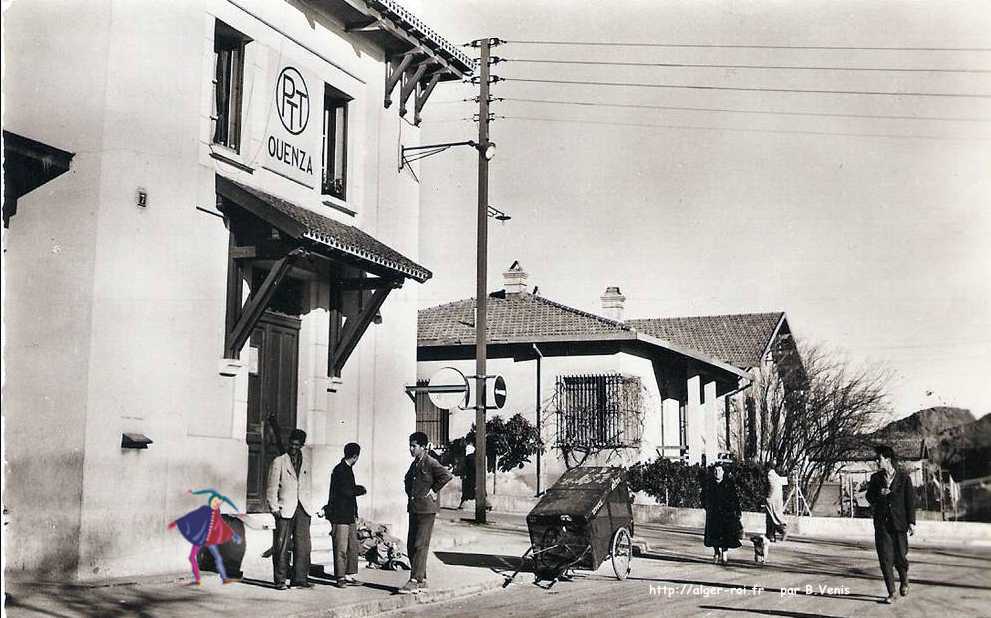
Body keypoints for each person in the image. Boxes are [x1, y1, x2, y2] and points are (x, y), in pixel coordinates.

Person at [397, 432, 452, 594]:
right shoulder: (415, 463)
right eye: (410, 445)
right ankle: (422, 579)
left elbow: (446, 475)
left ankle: (414, 580)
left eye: (414, 446)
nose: (411, 449)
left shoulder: (430, 462)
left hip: (427, 510)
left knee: (420, 544)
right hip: (415, 508)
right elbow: (408, 480)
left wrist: (433, 491)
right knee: (411, 544)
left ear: (422, 447)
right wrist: (412, 495)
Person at [866, 444, 916, 604]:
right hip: (882, 525)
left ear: (887, 459)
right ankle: (892, 592)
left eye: (878, 458)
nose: (876, 461)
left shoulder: (904, 478)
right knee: (885, 559)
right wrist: (879, 496)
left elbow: (910, 501)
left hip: (899, 524)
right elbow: (869, 497)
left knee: (900, 557)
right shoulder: (875, 479)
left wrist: (911, 522)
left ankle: (904, 580)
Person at [267, 428, 316, 590]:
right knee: (282, 546)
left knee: (303, 545)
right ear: (289, 443)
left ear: (302, 445)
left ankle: (299, 578)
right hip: (285, 508)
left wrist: (310, 506)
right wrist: (274, 507)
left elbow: (307, 485)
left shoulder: (306, 462)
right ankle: (280, 580)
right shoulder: (279, 461)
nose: (294, 447)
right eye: (292, 444)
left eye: (297, 444)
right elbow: (271, 487)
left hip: (303, 509)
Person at [168, 488, 242, 585]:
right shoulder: (205, 509)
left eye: (219, 503)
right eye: (215, 502)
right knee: (192, 557)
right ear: (211, 501)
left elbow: (222, 525)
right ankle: (198, 580)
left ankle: (224, 578)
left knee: (217, 558)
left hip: (210, 540)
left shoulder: (217, 512)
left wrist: (233, 535)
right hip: (200, 538)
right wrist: (176, 522)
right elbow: (191, 516)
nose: (217, 504)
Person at [325, 442, 367, 588]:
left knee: (352, 547)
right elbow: (346, 491)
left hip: (349, 515)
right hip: (339, 515)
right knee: (341, 547)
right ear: (355, 456)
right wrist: (360, 490)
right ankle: (340, 577)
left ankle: (348, 575)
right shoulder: (340, 470)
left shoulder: (347, 469)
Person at [702, 463, 743, 565]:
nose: (717, 473)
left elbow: (735, 498)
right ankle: (716, 552)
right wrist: (707, 507)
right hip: (713, 514)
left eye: (719, 470)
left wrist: (737, 511)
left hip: (726, 514)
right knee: (714, 535)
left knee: (726, 535)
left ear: (723, 472)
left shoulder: (729, 483)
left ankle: (724, 553)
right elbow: (703, 497)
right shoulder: (709, 484)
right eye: (715, 470)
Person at [765, 461, 789, 542]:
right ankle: (771, 535)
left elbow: (771, 487)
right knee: (775, 516)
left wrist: (768, 496)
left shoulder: (770, 475)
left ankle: (781, 531)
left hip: (771, 500)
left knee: (771, 517)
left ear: (768, 467)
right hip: (778, 499)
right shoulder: (777, 476)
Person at [458, 443, 476, 510]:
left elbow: (465, 468)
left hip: (469, 478)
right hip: (474, 477)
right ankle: (487, 504)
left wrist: (463, 474)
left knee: (466, 492)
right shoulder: (474, 458)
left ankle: (462, 505)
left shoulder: (468, 458)